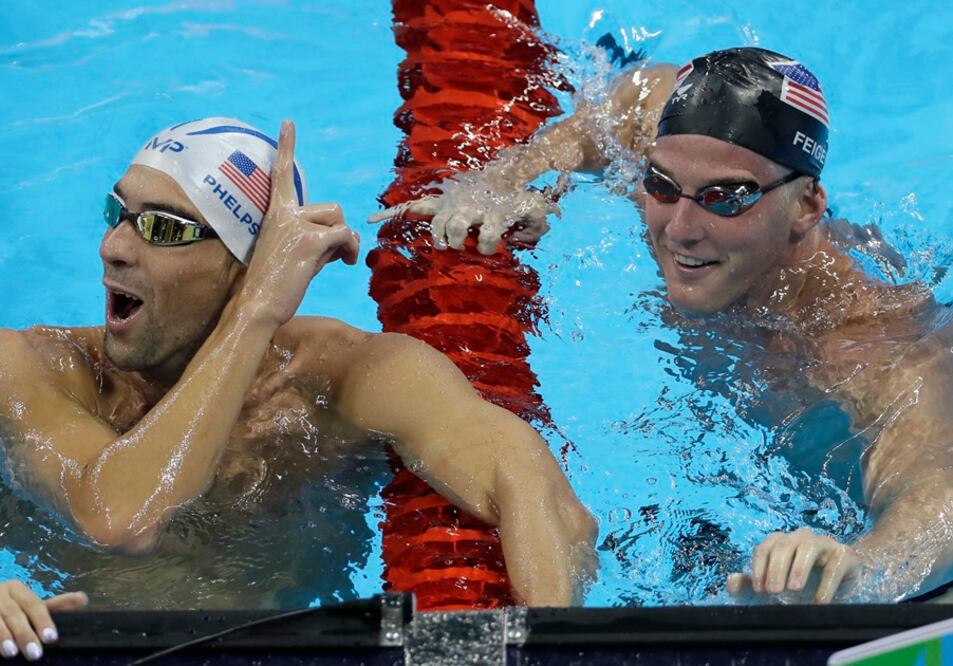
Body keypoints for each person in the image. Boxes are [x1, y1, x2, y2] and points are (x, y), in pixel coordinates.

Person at [0, 117, 595, 659]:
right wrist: (253, 311)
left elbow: (535, 491)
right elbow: (120, 518)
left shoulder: (337, 376)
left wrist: (550, 644)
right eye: (119, 212)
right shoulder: (21, 368)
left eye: (162, 228)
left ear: (244, 266)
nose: (113, 246)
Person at [375, 47, 953, 604]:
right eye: (660, 185)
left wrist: (854, 571)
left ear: (806, 206)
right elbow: (613, 114)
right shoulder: (677, 136)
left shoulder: (863, 339)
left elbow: (935, 493)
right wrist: (504, 183)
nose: (679, 229)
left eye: (726, 199)